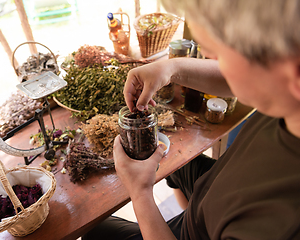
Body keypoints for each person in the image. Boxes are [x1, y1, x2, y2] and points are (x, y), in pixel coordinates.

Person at [82, 0, 300, 239]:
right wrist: (171, 68)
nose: (207, 55)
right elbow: (244, 78)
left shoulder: (277, 225)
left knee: (96, 230)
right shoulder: (286, 99)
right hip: (213, 199)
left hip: (196, 227)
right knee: (179, 165)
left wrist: (140, 192)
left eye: (222, 50)